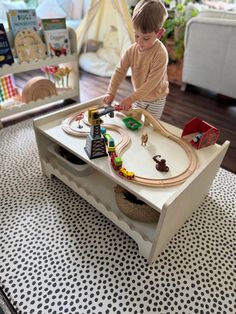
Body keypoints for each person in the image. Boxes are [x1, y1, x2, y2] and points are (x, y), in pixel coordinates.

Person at [103, 0, 169, 120]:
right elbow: (120, 71)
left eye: (146, 38)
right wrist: (111, 92)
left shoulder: (161, 54)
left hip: (155, 99)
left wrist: (131, 99)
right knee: (135, 122)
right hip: (139, 96)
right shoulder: (131, 50)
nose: (139, 42)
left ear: (159, 34)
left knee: (150, 126)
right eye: (136, 35)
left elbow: (150, 84)